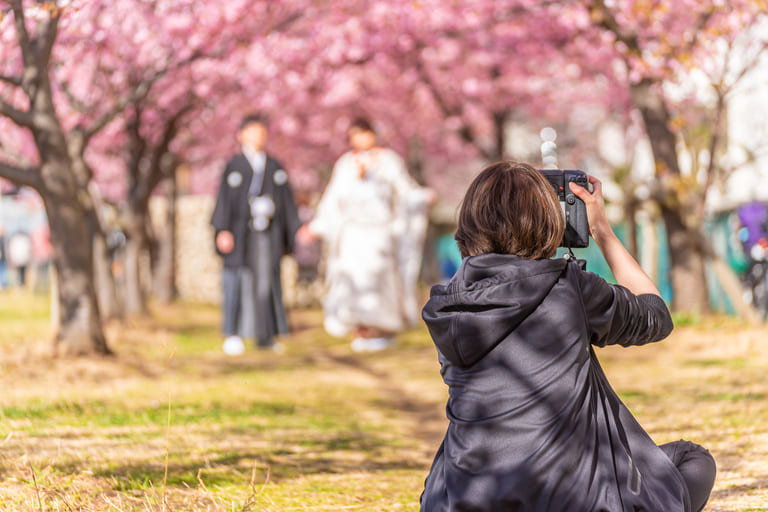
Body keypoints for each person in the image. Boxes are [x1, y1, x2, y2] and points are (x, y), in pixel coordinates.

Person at [420, 162, 715, 511]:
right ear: (547, 221)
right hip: (578, 499)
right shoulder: (567, 286)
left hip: (465, 500)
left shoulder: (445, 305)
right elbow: (655, 315)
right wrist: (601, 230)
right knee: (693, 460)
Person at [297, 118, 434, 352]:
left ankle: (382, 328)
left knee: (380, 280)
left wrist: (421, 197)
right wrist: (316, 226)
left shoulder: (389, 161)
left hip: (379, 233)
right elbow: (332, 199)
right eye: (355, 135)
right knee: (352, 281)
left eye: (364, 133)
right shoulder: (346, 164)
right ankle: (359, 328)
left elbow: (405, 191)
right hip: (353, 234)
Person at [211, 114, 301, 353]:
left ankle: (266, 334)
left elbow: (288, 204)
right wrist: (222, 230)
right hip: (240, 233)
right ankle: (232, 332)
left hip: (266, 234)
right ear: (241, 135)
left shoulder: (274, 166)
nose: (258, 136)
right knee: (236, 280)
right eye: (252, 131)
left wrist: (292, 232)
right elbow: (222, 202)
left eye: (261, 132)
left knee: (266, 282)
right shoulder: (234, 166)